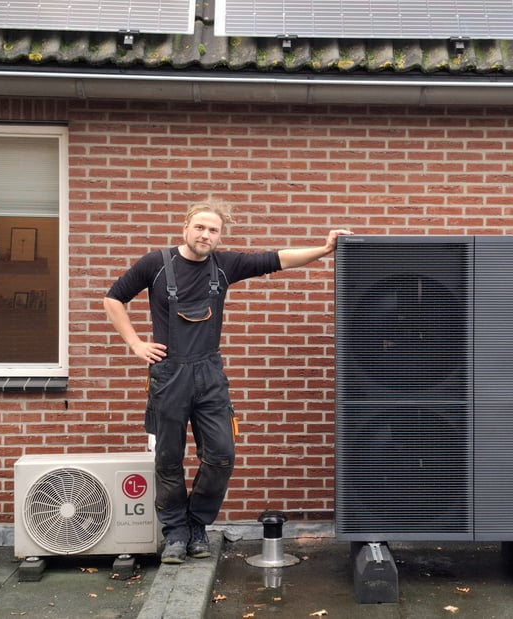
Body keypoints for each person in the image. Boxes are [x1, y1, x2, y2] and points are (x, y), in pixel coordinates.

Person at [103, 197, 352, 564]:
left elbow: (277, 259)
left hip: (209, 375)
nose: (205, 235)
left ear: (219, 236)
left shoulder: (225, 265)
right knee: (168, 459)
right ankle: (175, 535)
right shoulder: (155, 264)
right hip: (169, 375)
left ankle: (196, 524)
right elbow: (113, 299)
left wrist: (325, 249)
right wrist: (136, 343)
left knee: (222, 456)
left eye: (213, 230)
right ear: (185, 228)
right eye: (200, 227)